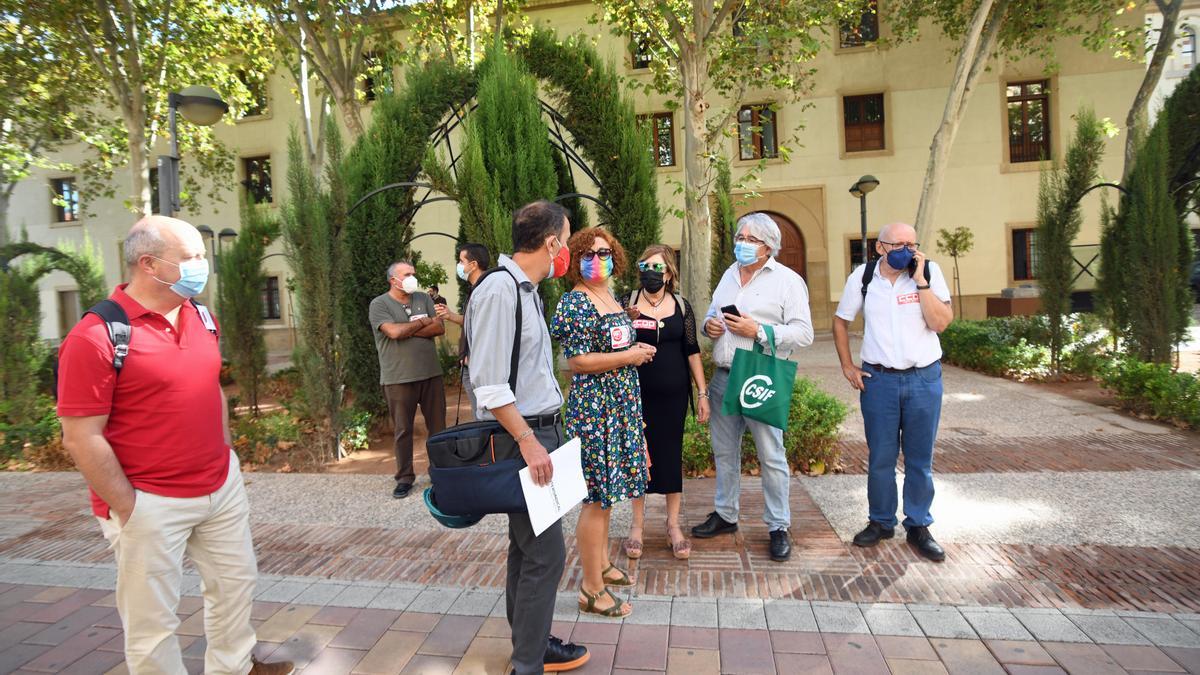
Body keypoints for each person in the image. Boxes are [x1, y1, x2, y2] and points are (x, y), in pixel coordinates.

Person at [57, 216, 293, 675]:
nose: (204, 265)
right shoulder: (95, 336)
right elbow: (80, 436)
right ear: (148, 264)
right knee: (152, 622)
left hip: (218, 487)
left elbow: (211, 389)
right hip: (149, 500)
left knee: (235, 585)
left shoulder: (201, 316)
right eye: (192, 258)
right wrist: (129, 506)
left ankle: (234, 667)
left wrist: (228, 458)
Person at [464, 201, 589, 674]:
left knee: (526, 546)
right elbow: (490, 383)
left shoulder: (527, 289)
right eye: (567, 241)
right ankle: (528, 662)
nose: (567, 254)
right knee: (546, 553)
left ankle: (530, 646)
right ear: (552, 242)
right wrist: (530, 442)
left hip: (540, 434)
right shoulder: (501, 290)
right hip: (524, 440)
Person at [695, 212, 814, 563]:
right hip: (724, 375)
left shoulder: (788, 281)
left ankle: (778, 526)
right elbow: (711, 316)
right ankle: (726, 515)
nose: (741, 244)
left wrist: (758, 331)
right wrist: (709, 327)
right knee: (724, 451)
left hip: (760, 375)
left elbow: (804, 333)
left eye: (750, 239)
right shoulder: (729, 275)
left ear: (768, 246)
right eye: (739, 237)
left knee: (771, 455)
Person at [832, 222, 953, 562]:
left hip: (923, 379)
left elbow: (940, 323)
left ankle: (918, 525)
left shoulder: (929, 271)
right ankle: (881, 521)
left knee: (919, 459)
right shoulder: (863, 277)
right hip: (879, 382)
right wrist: (847, 366)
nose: (907, 249)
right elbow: (841, 320)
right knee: (881, 458)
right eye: (899, 243)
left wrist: (921, 282)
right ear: (880, 248)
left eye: (912, 243)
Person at [550, 227, 652, 619]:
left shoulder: (608, 296)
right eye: (590, 253)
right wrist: (630, 356)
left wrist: (631, 341)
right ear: (576, 260)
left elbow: (608, 344)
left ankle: (602, 565)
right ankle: (591, 589)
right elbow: (578, 362)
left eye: (605, 251)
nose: (599, 259)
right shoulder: (575, 302)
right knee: (595, 499)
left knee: (607, 496)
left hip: (619, 405)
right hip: (596, 411)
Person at [624, 244, 709, 561]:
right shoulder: (628, 303)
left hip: (674, 397)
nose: (651, 273)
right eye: (646, 266)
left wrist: (702, 393)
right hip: (637, 397)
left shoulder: (682, 307)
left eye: (658, 268)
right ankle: (637, 527)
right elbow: (613, 343)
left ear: (670, 273)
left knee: (671, 456)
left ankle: (673, 526)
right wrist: (624, 322)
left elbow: (692, 349)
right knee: (638, 458)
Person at [369, 261, 446, 499]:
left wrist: (410, 327)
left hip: (431, 374)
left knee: (438, 429)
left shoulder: (423, 298)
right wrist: (423, 322)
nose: (413, 277)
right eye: (407, 274)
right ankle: (404, 477)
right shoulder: (379, 304)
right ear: (393, 279)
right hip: (398, 378)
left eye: (413, 273)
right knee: (403, 430)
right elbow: (392, 333)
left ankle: (440, 474)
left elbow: (439, 328)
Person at [436, 243, 490, 416]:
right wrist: (450, 315)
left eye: (461, 261)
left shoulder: (485, 290)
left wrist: (473, 357)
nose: (459, 266)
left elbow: (486, 328)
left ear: (473, 265)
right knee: (479, 414)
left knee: (484, 417)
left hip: (477, 366)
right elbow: (472, 321)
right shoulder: (475, 289)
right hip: (470, 364)